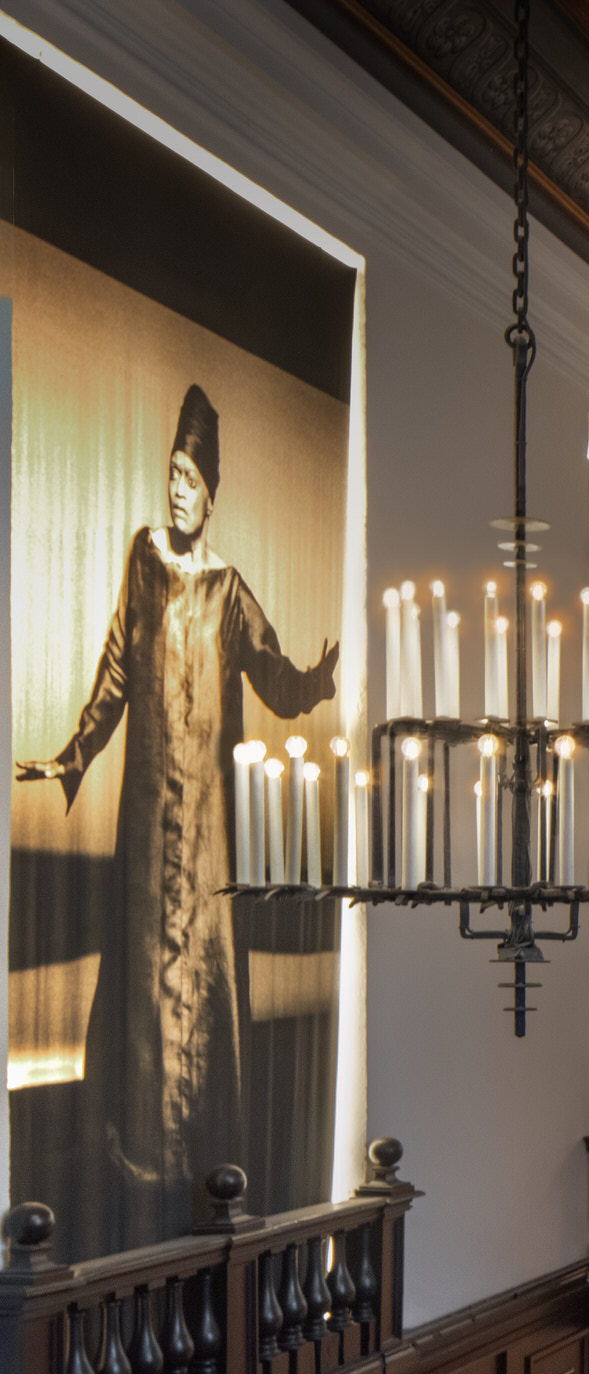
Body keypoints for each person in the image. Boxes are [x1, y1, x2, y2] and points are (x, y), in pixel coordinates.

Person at [14, 384, 338, 1250]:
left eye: (191, 478)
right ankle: (139, 1179)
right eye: (171, 473)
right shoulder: (144, 558)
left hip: (209, 828)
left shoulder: (228, 590)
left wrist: (317, 682)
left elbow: (273, 674)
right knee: (143, 989)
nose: (178, 489)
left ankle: (207, 1174)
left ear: (213, 491)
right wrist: (73, 755)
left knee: (205, 978)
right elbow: (118, 669)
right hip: (147, 815)